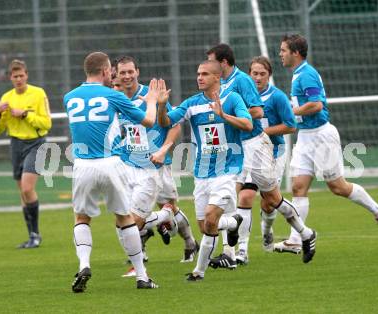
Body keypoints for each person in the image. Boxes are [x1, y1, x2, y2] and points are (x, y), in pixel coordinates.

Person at [275, 34, 378, 253]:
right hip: (305, 137)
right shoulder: (298, 74)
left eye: (283, 50)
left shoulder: (307, 75)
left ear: (296, 53)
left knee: (338, 187)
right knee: (298, 187)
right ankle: (295, 239)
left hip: (321, 136)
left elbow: (317, 105)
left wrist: (291, 112)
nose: (280, 54)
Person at [207, 44, 317, 268]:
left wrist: (227, 115)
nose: (256, 77)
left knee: (272, 200)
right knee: (238, 196)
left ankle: (306, 234)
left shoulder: (243, 82)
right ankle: (236, 253)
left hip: (257, 147)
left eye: (211, 61)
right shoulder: (223, 82)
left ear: (224, 62)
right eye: (254, 72)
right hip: (237, 149)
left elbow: (256, 112)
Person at [64, 51, 159, 291]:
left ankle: (84, 264)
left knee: (82, 218)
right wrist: (151, 101)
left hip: (83, 165)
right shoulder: (112, 96)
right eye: (112, 72)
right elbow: (147, 121)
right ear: (106, 71)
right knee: (125, 218)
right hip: (110, 163)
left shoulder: (70, 97)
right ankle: (141, 276)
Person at [157, 60, 250, 281]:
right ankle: (234, 222)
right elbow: (165, 123)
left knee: (210, 217)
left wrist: (223, 115)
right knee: (205, 226)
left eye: (205, 74)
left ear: (217, 77)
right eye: (198, 73)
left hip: (228, 169)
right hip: (202, 172)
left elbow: (248, 124)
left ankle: (198, 272)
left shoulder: (232, 99)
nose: (199, 77)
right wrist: (162, 105)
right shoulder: (192, 104)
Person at [115, 56, 198, 269]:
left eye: (129, 71)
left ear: (137, 72)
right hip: (130, 166)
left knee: (169, 207)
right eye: (122, 72)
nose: (126, 76)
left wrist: (163, 149)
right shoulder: (116, 99)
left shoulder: (151, 95)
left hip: (157, 165)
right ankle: (139, 257)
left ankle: (189, 241)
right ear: (116, 74)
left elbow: (174, 124)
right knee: (131, 214)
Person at [237, 56, 297, 260]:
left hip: (273, 152)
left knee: (268, 203)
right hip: (249, 153)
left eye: (263, 74)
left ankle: (267, 230)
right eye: (255, 73)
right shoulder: (241, 96)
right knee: (244, 197)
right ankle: (242, 251)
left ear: (268, 76)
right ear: (249, 74)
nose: (258, 77)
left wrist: (263, 132)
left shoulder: (277, 97)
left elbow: (290, 125)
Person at [0, 59, 51, 249]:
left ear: (26, 75)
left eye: (21, 75)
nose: (18, 79)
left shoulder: (38, 93)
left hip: (36, 143)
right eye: (15, 76)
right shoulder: (6, 97)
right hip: (16, 144)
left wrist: (25, 114)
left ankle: (35, 234)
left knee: (27, 188)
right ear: (10, 77)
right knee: (23, 193)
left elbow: (46, 123)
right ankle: (32, 236)